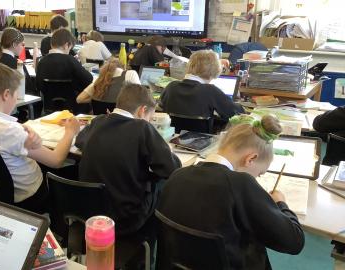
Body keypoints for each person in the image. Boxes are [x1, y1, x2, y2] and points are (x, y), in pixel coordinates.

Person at [157, 114, 305, 270]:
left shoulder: (178, 175)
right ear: (251, 159)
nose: (257, 178)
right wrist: (280, 203)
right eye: (260, 173)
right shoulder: (241, 184)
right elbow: (294, 241)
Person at [0, 62, 80, 213]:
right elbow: (56, 160)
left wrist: (23, 128)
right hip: (31, 193)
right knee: (75, 170)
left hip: (4, 189)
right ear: (6, 94)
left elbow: (2, 127)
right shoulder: (10, 132)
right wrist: (70, 131)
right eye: (15, 95)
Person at [76, 84, 181, 241]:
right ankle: (155, 244)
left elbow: (80, 141)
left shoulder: (98, 121)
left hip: (91, 213)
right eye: (150, 118)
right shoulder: (142, 127)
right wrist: (165, 149)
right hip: (126, 219)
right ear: (142, 111)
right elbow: (172, 168)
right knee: (163, 183)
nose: (149, 122)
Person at [160, 50, 244, 123]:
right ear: (214, 70)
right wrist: (238, 104)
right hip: (201, 139)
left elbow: (161, 107)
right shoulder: (210, 90)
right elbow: (235, 113)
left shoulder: (171, 87)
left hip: (172, 138)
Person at [36, 28, 93, 112]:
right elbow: (89, 79)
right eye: (70, 48)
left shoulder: (41, 62)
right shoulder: (70, 60)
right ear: (66, 45)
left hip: (50, 109)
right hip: (75, 108)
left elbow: (38, 85)